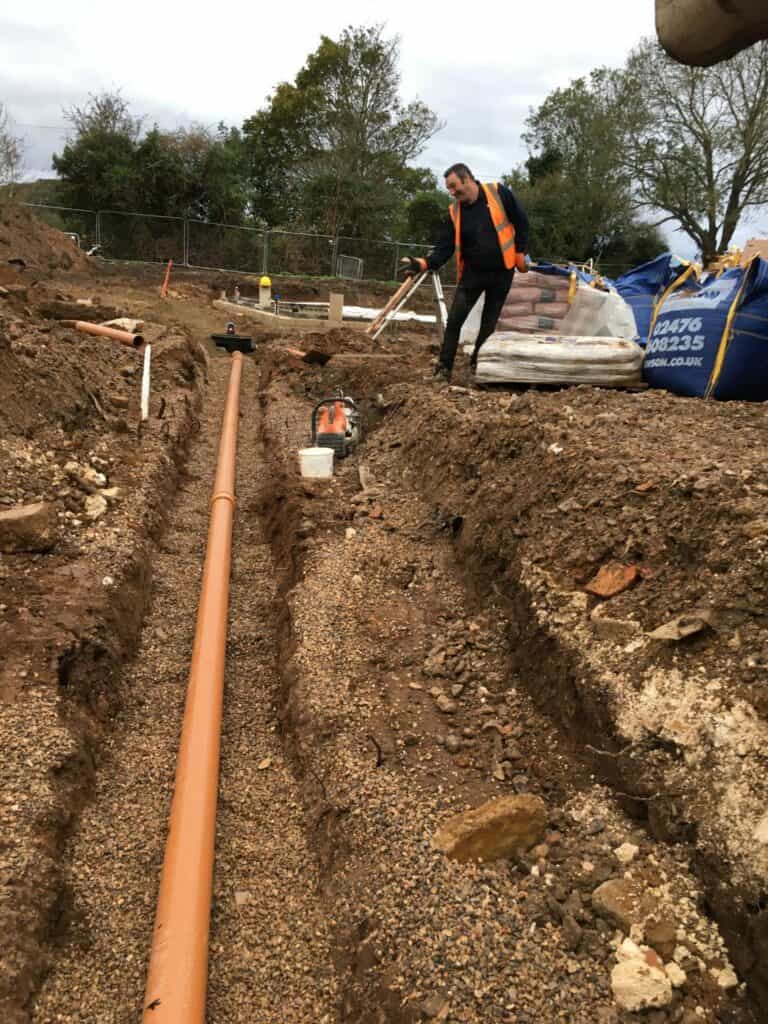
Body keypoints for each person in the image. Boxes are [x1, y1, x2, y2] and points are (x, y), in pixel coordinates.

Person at [400, 163, 530, 380]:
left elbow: (522, 220)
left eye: (453, 186)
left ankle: (478, 367)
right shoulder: (454, 212)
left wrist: (520, 250)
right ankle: (444, 369)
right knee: (454, 321)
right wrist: (424, 263)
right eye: (449, 188)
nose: (451, 192)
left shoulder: (498, 193)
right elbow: (445, 248)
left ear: (467, 179)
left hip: (502, 272)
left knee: (489, 323)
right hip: (473, 275)